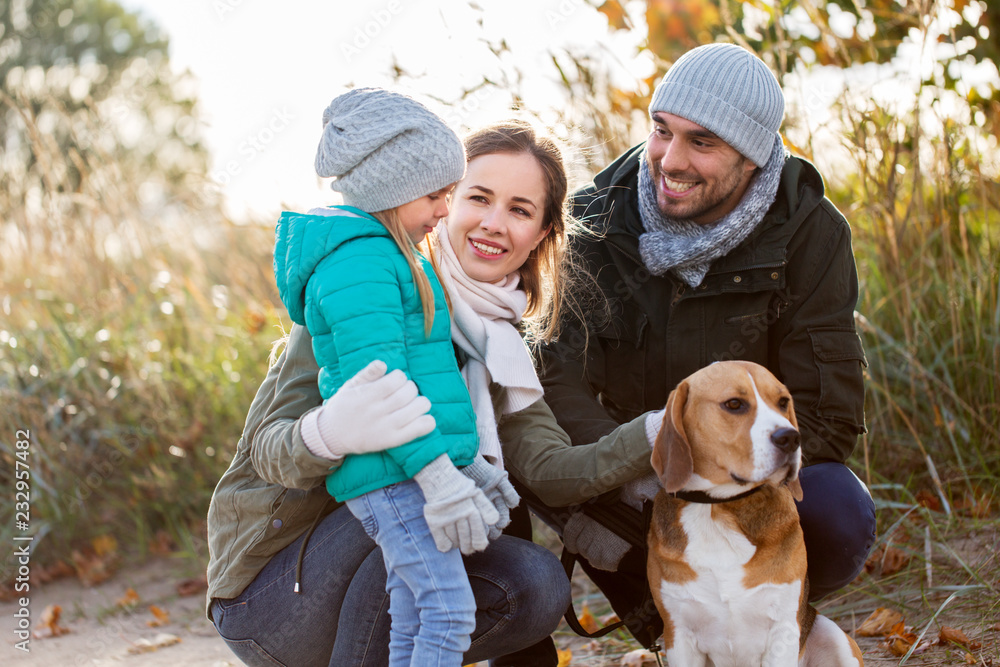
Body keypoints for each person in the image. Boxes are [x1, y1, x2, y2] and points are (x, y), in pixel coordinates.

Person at [206, 111, 661, 667]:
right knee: (414, 501)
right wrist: (327, 432)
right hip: (274, 596)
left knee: (535, 581)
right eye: (478, 197)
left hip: (381, 570)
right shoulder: (365, 289)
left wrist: (659, 430)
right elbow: (266, 452)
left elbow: (550, 471)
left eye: (519, 210)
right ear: (441, 200)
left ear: (542, 233)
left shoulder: (503, 352)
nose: (493, 222)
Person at [534, 42, 877, 631]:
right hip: (626, 484)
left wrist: (716, 489)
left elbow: (827, 410)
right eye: (662, 130)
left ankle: (764, 616)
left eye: (703, 142)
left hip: (752, 478)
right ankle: (671, 622)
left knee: (838, 512)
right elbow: (559, 381)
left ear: (753, 157)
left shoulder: (812, 233)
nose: (669, 159)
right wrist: (643, 475)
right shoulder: (591, 221)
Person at [270, 87, 516, 666]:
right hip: (393, 476)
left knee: (413, 613)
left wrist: (472, 467)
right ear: (392, 187)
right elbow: (385, 388)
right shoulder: (359, 262)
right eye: (436, 194)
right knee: (449, 612)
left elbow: (425, 381)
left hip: (405, 468)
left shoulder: (392, 254)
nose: (444, 209)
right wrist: (440, 480)